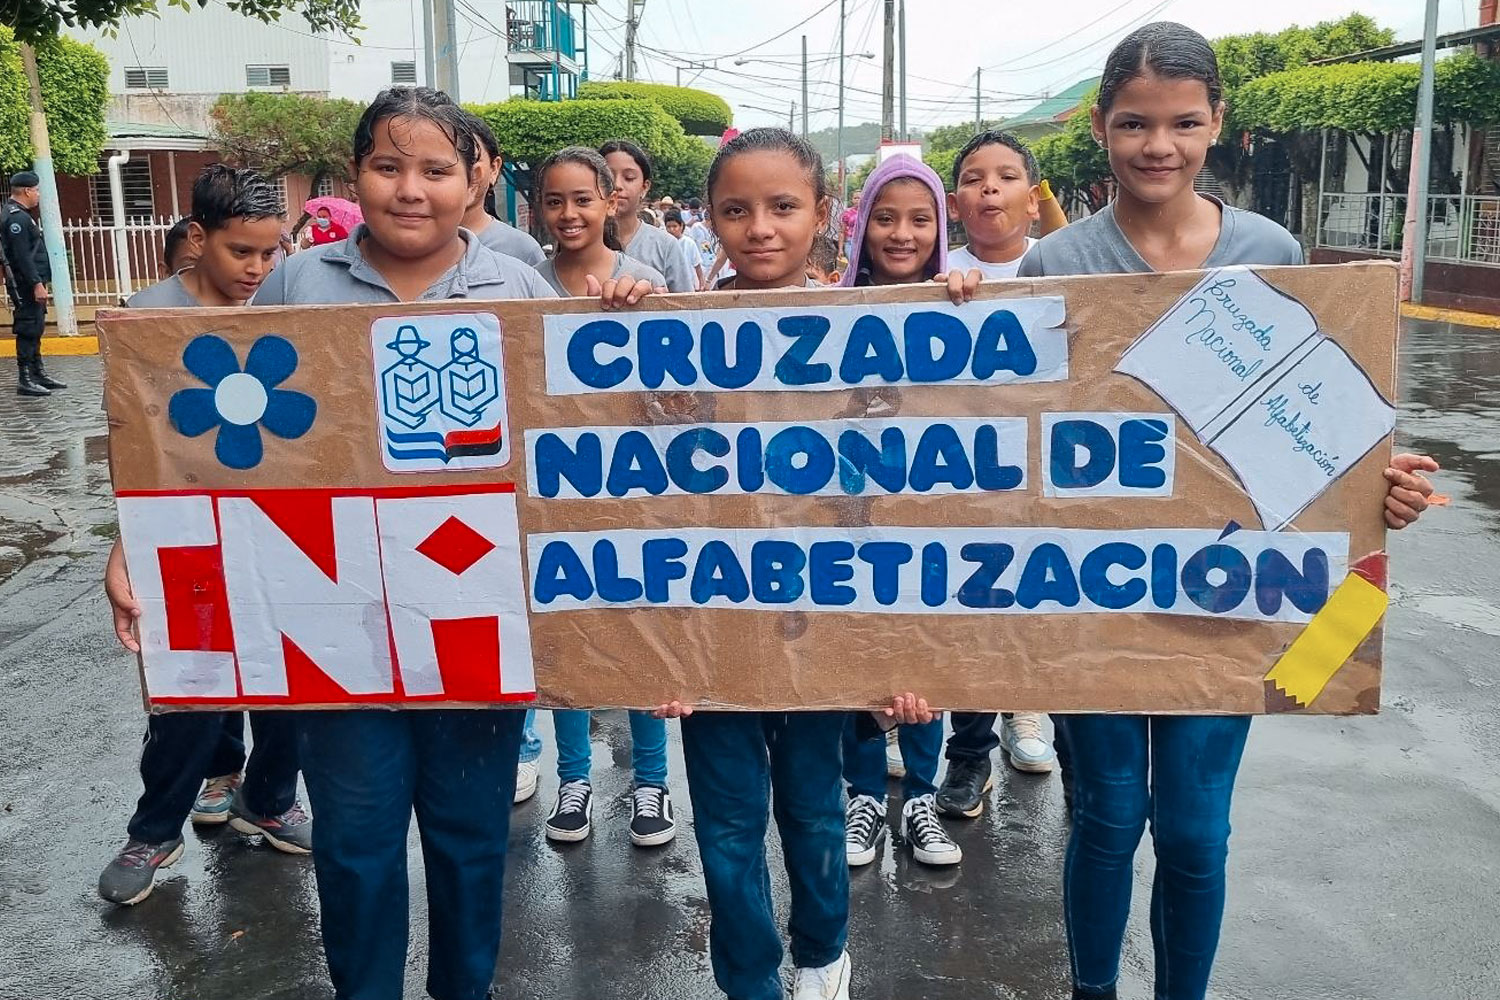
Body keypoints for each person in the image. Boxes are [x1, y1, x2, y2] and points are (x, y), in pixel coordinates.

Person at [1015, 24, 1439, 1000]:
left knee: (1197, 828)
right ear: (1100, 126)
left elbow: (1318, 427)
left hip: (1233, 587)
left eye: (1181, 122)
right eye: (1134, 123)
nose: (1157, 144)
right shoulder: (1053, 263)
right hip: (1098, 593)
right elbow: (1010, 434)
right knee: (1111, 816)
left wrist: (1383, 488)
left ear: (1218, 124)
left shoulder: (1271, 251)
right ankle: (1091, 988)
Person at [248, 87, 654, 1000]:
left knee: (471, 844)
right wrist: (135, 545)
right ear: (356, 175)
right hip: (338, 620)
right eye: (388, 167)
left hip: (478, 617)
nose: (410, 189)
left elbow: (583, 431)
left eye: (435, 169)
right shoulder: (297, 281)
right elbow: (213, 435)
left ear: (472, 179)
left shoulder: (517, 286)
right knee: (353, 846)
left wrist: (633, 319)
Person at [99, 164, 308, 908]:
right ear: (198, 237)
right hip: (183, 531)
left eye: (270, 251)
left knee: (292, 677)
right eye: (240, 252)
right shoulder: (145, 316)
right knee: (187, 691)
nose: (257, 269)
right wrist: (122, 547)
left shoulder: (291, 305)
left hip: (283, 528)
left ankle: (271, 798)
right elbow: (130, 442)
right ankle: (154, 830)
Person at [528, 145, 678, 848]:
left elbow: (682, 394)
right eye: (554, 201)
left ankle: (651, 784)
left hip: (639, 492)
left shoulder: (645, 281)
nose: (568, 214)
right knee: (570, 641)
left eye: (582, 199)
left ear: (611, 201)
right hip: (553, 497)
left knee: (641, 635)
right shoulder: (520, 286)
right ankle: (574, 780)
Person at [835, 153, 970, 869]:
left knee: (926, 658)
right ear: (861, 227)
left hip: (933, 518)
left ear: (941, 228)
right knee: (858, 654)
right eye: (885, 218)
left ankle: (920, 794)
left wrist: (969, 295)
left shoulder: (962, 299)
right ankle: (862, 794)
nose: (901, 234)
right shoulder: (823, 307)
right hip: (850, 517)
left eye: (921, 220)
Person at [933, 128, 1063, 818]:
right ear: (956, 202)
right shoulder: (933, 276)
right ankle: (970, 754)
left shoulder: (1070, 269)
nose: (991, 188)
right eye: (976, 177)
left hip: (1047, 478)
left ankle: (1034, 714)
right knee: (976, 614)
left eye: (1008, 176)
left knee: (1048, 606)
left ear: (1034, 200)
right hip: (962, 483)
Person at [599, 139, 697, 292]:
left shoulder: (666, 246)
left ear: (645, 187)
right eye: (608, 177)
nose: (617, 185)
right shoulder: (581, 243)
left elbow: (687, 308)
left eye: (629, 178)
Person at [2, 170, 64, 397]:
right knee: (28, 327)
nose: (38, 194)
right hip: (25, 284)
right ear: (27, 190)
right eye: (36, 190)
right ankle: (25, 378)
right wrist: (36, 283)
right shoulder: (16, 218)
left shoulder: (20, 214)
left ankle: (38, 373)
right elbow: (22, 256)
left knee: (36, 325)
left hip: (30, 282)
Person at [462, 111, 547, 266]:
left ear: (494, 168)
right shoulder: (413, 245)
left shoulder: (523, 250)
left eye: (471, 159)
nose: (462, 171)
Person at [663, 208, 705, 290]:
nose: (671, 230)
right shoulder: (664, 244)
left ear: (681, 226)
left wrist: (701, 284)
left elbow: (697, 265)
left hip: (688, 284)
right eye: (668, 227)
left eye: (675, 226)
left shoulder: (689, 243)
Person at [838, 188, 861, 262]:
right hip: (850, 242)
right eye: (855, 198)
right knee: (852, 262)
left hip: (862, 242)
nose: (857, 200)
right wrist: (840, 249)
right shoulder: (847, 213)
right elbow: (842, 231)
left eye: (859, 198)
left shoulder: (867, 213)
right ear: (852, 199)